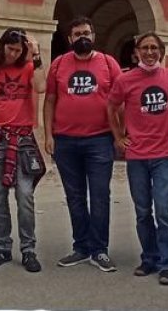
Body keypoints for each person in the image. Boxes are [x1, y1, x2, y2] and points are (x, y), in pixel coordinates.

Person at [44, 16, 123, 272]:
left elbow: (122, 100)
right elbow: (50, 101)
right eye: (77, 34)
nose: (82, 37)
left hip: (99, 139)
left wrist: (121, 133)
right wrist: (48, 135)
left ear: (94, 36)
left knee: (100, 196)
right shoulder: (58, 64)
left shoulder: (109, 64)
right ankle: (81, 247)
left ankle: (99, 250)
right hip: (65, 141)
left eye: (86, 33)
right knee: (75, 197)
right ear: (69, 39)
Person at [108, 32, 168, 286]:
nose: (149, 52)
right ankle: (150, 257)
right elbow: (111, 106)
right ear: (137, 51)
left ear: (161, 51)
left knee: (165, 211)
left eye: (154, 48)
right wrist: (118, 136)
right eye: (145, 48)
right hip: (136, 155)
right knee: (142, 212)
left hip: (164, 155)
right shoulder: (125, 80)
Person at [0, 28, 45, 273]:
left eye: (18, 50)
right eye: (10, 48)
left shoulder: (27, 68)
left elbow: (42, 86)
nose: (14, 54)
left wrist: (35, 54)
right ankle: (3, 246)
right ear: (2, 45)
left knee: (25, 195)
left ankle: (28, 249)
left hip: (22, 140)